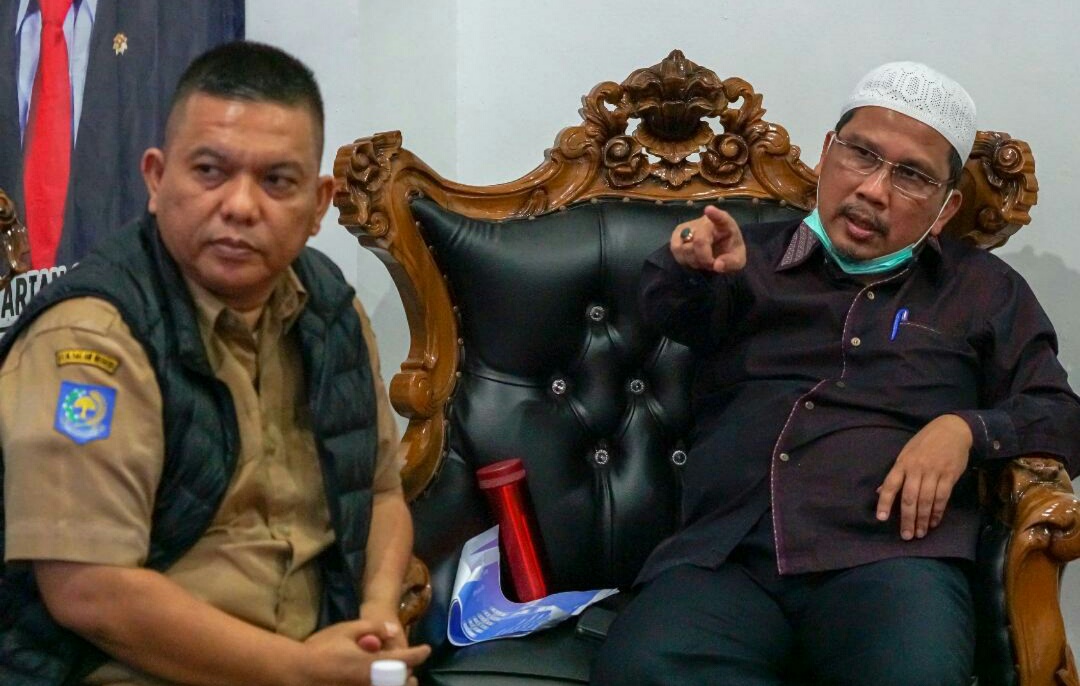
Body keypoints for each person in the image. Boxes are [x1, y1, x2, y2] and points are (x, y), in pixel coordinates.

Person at [591, 61, 1080, 685]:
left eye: (910, 176)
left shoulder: (984, 291)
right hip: (727, 558)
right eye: (861, 155)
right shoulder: (745, 259)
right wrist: (687, 262)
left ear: (946, 206)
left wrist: (965, 430)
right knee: (640, 671)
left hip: (891, 563)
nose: (873, 190)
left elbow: (1062, 415)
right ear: (826, 153)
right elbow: (671, 308)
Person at [0, 41, 430, 685]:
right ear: (156, 179)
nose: (240, 206)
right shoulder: (93, 337)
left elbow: (381, 494)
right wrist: (300, 671)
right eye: (209, 171)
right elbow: (88, 590)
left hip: (319, 653)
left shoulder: (330, 308)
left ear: (319, 205)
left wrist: (375, 618)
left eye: (277, 181)